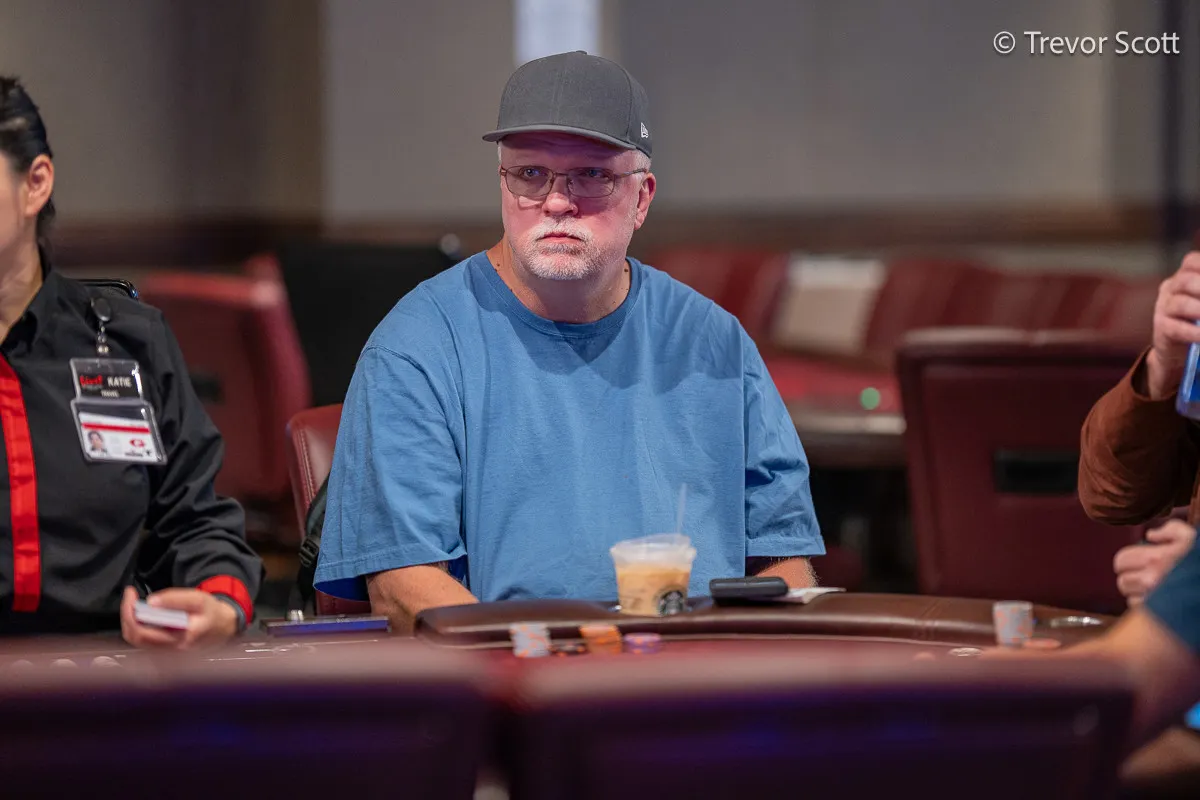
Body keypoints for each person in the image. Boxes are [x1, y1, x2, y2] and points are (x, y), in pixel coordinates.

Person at [315, 51, 824, 631]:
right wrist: (540, 665)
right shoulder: (418, 347)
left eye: (592, 175)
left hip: (698, 670)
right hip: (514, 672)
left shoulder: (715, 343)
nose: (557, 201)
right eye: (531, 174)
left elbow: (784, 562)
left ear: (642, 197)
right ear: (502, 182)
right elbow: (404, 588)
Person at [0, 76, 262, 646]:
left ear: (35, 183)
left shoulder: (126, 342)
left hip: (107, 671)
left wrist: (217, 605)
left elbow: (196, 522)